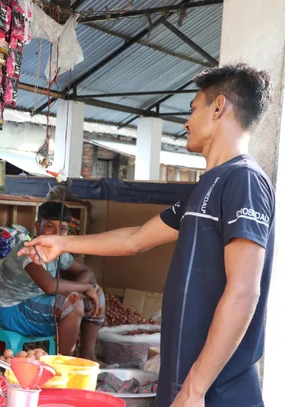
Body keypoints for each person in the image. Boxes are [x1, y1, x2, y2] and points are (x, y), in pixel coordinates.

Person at [18, 63, 274, 407]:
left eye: (193, 108)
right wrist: (62, 242)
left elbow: (244, 292)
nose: (186, 121)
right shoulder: (206, 187)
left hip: (218, 391)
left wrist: (196, 388)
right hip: (184, 379)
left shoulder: (244, 180)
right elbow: (135, 239)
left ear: (218, 107)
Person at [0, 201, 105, 359]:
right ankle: (64, 364)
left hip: (37, 308)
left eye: (63, 229)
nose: (56, 233)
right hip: (13, 312)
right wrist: (83, 288)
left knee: (96, 291)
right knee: (72, 302)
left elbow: (86, 271)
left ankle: (88, 357)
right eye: (50, 226)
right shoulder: (27, 250)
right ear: (38, 225)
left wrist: (84, 288)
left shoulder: (57, 251)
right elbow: (50, 287)